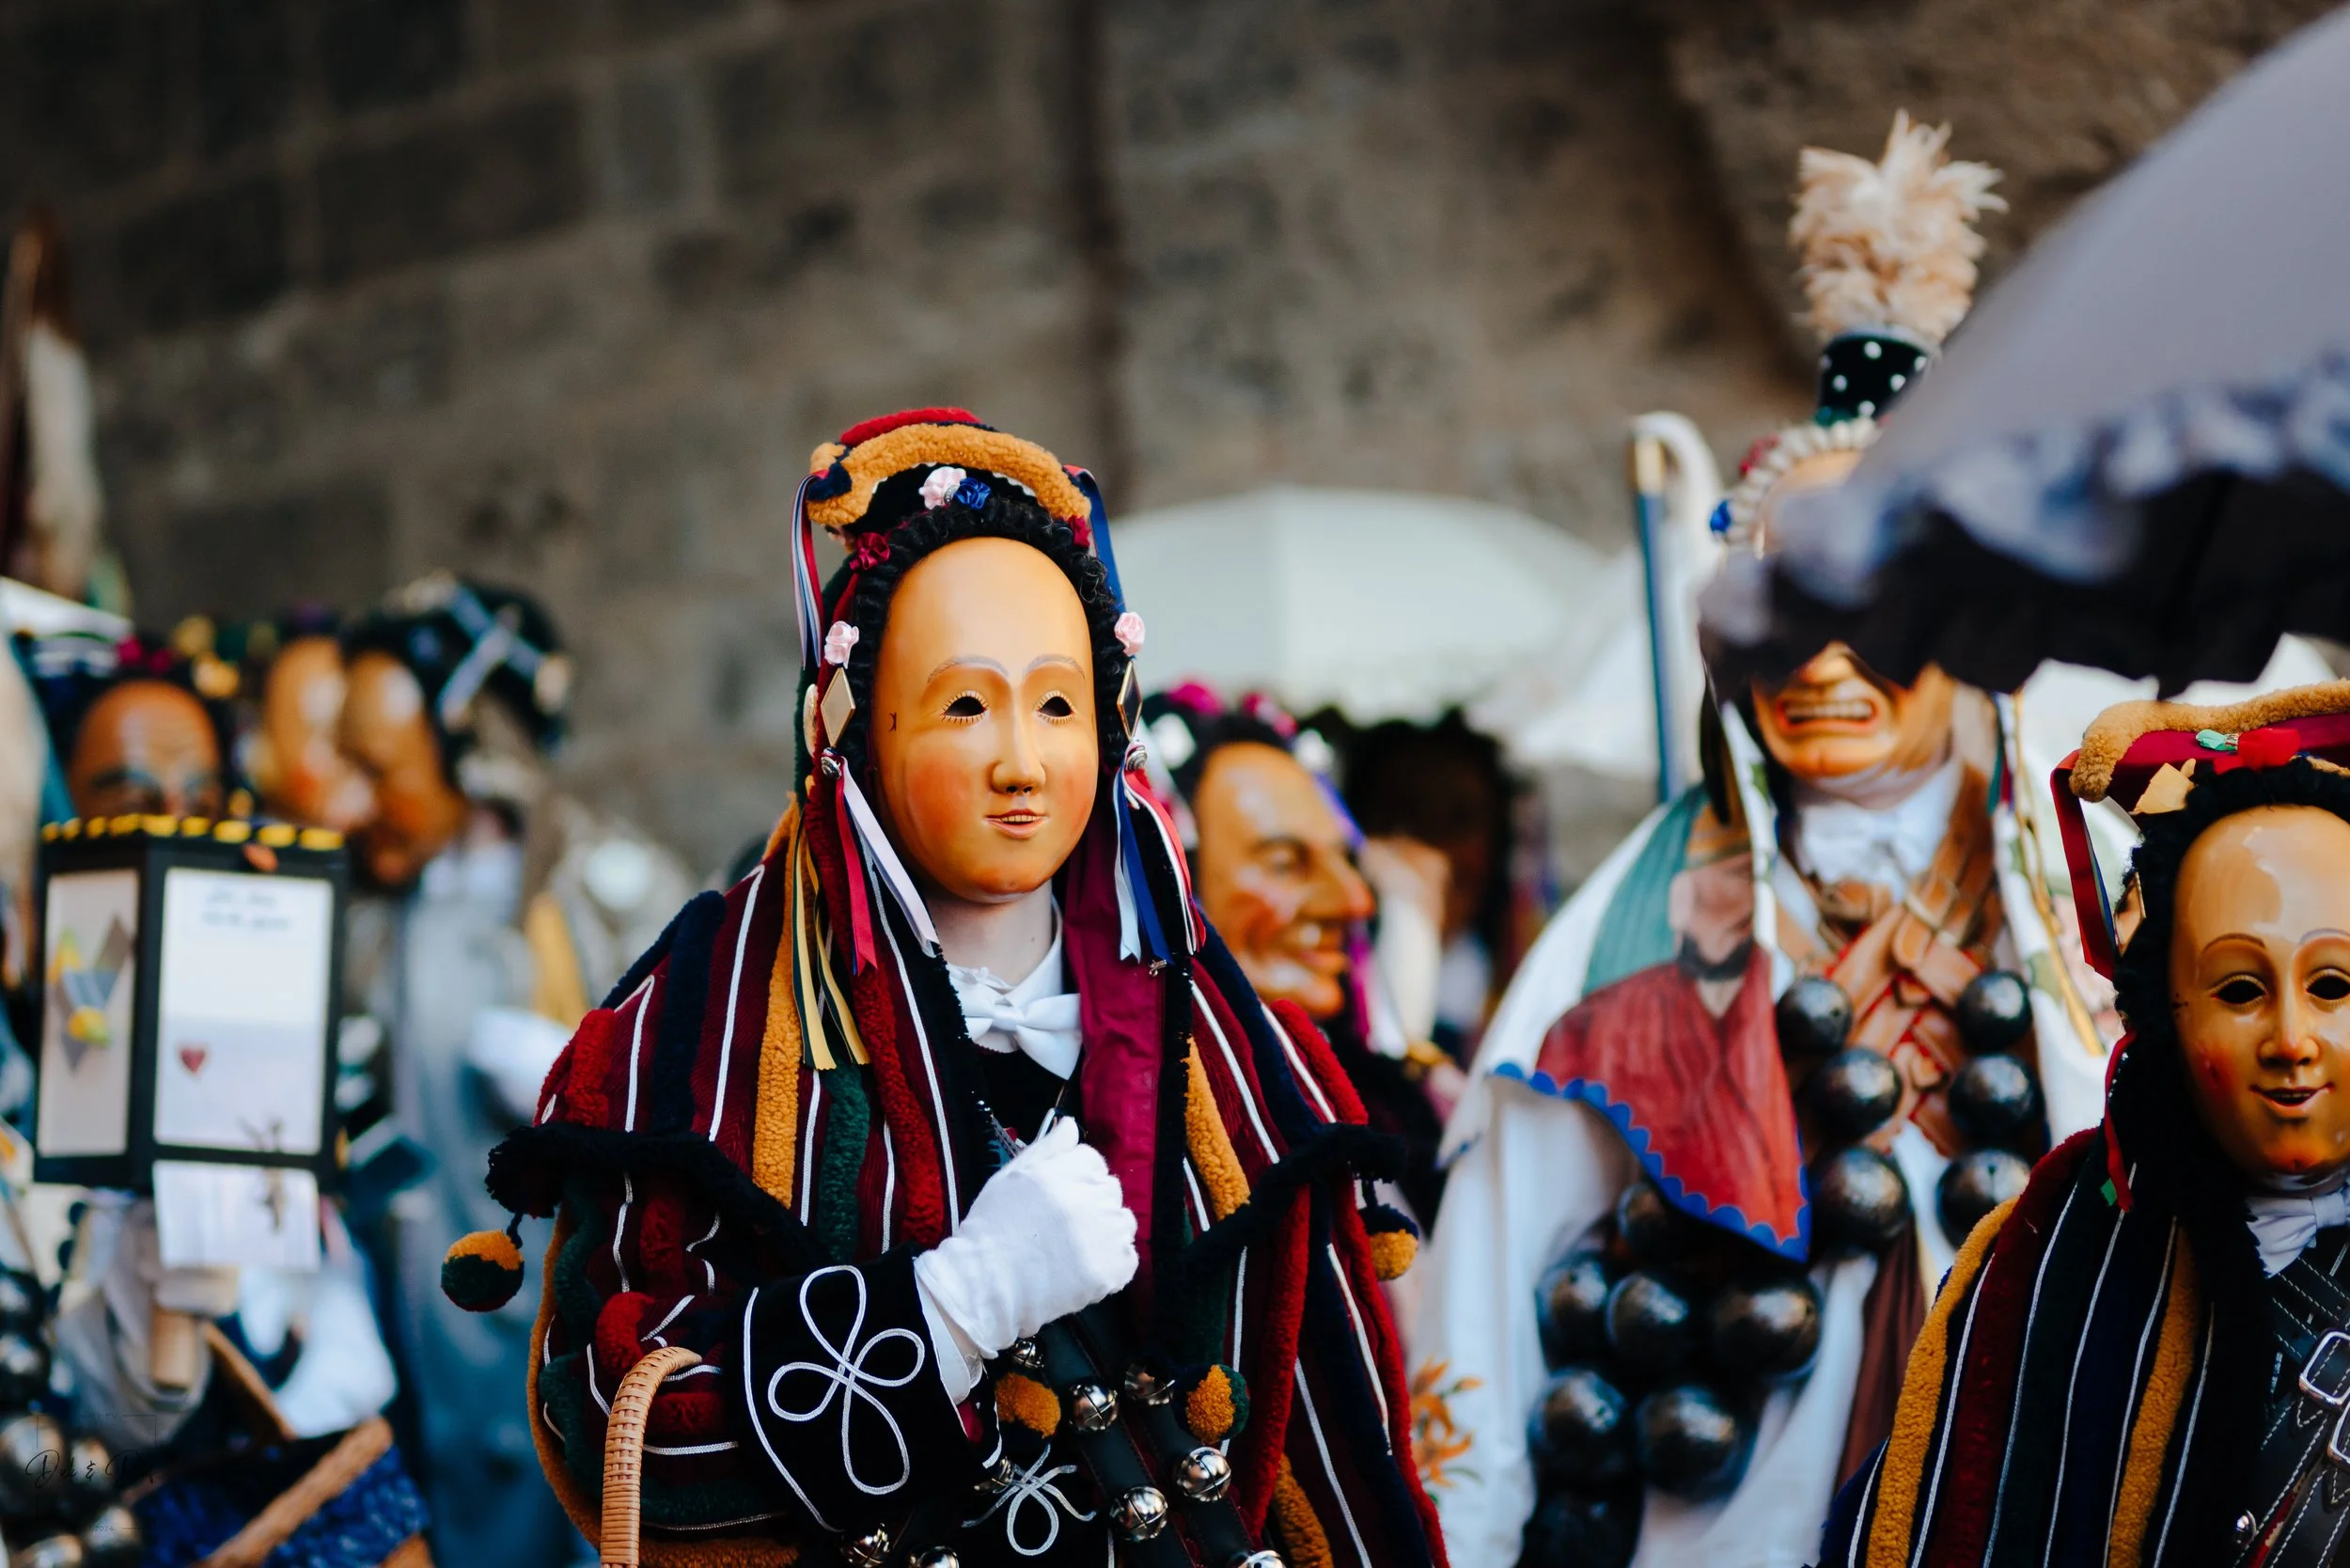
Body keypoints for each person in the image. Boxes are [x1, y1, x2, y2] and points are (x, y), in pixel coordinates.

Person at [442, 409, 1444, 1568]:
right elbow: (612, 1430)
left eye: (1058, 704)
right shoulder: (699, 1028)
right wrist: (944, 1313)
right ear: (851, 724)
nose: (1021, 761)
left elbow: (1343, 1463)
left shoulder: (1225, 1038)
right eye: (966, 705)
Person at [1403, 114, 2112, 1568]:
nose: (1821, 657)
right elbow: (1491, 1275)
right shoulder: (1629, 935)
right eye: (1782, 600)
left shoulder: (2090, 895)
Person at [1820, 682, 2350, 1566]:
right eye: (2239, 989)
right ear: (2166, 1010)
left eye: (2334, 985)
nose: (2292, 1040)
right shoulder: (2041, 1259)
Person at [325, 575, 691, 1565]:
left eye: (378, 768)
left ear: (472, 749)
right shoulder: (369, 918)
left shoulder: (608, 895)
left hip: (567, 1349)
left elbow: (718, 1107)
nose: (351, 802)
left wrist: (597, 1087)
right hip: (427, 1356)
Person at [1141, 683, 1454, 1224]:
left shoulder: (1406, 1106)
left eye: (1342, 860)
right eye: (1285, 863)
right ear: (1169, 881)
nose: (1354, 900)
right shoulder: (1133, 1149)